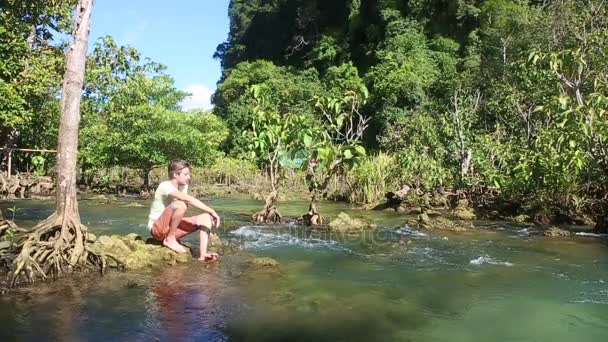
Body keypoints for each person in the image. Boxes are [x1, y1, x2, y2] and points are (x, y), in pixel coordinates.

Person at [147, 160, 220, 260]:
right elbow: (187, 200)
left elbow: (188, 202)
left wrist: (209, 213)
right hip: (158, 230)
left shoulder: (183, 187)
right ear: (176, 175)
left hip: (170, 228)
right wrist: (211, 210)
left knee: (205, 217)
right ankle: (170, 239)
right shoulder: (164, 186)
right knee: (180, 205)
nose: (189, 177)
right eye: (186, 174)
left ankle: (203, 254)